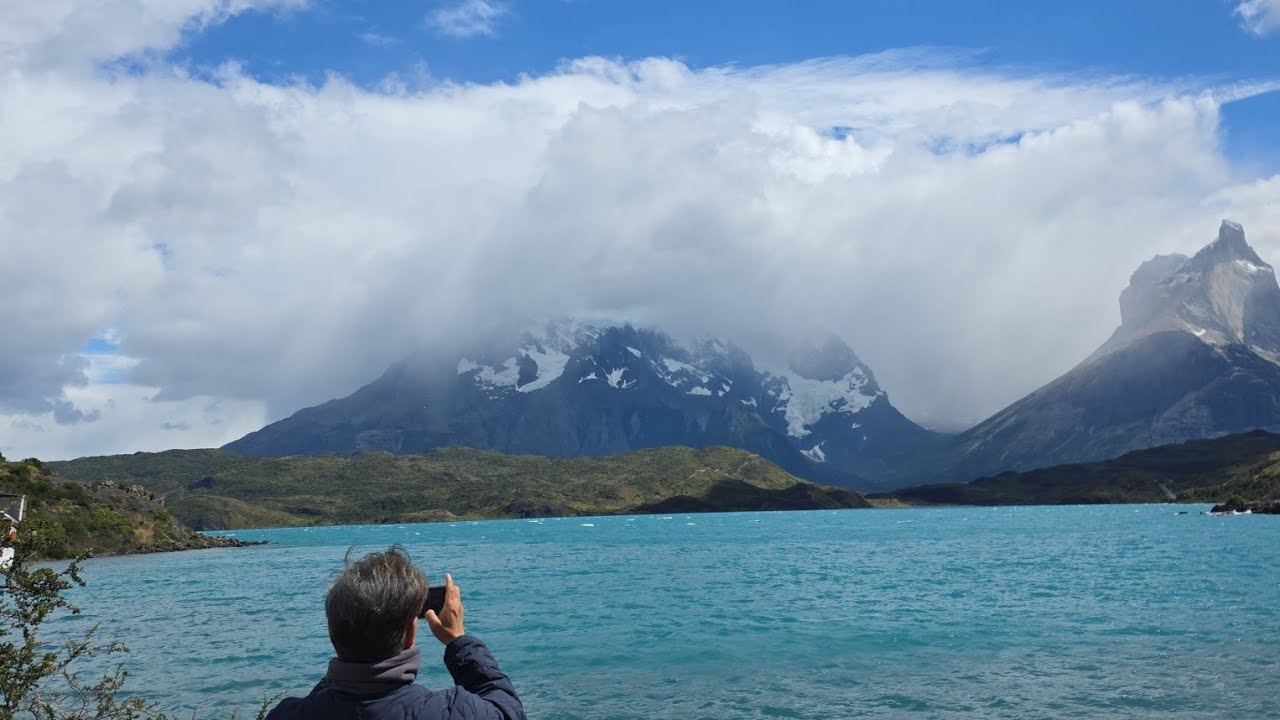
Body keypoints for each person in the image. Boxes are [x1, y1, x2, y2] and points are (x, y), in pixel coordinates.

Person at [267, 547, 525, 720]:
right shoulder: (450, 711)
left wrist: (350, 657)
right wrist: (458, 640)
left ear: (333, 632)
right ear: (411, 633)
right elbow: (507, 710)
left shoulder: (287, 714)